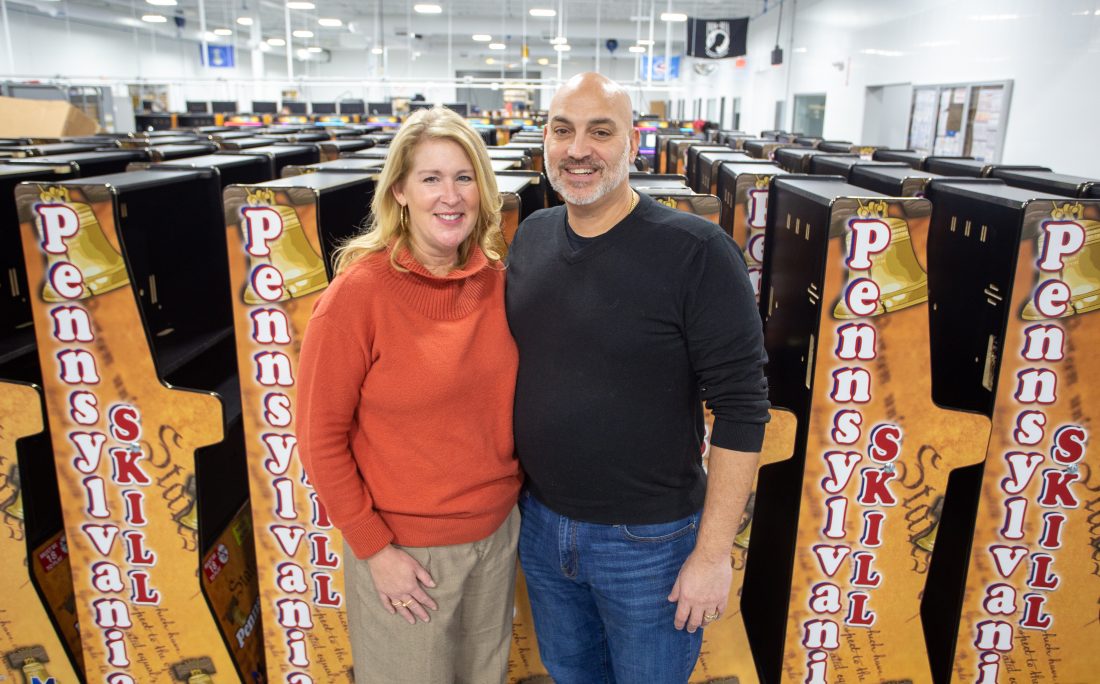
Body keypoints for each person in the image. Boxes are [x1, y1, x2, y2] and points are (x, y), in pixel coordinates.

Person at [505, 72, 770, 682]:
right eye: (563, 130)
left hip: (649, 543)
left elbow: (743, 407)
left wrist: (712, 555)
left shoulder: (697, 253)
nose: (578, 150)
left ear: (633, 144)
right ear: (544, 139)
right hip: (542, 528)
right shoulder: (532, 239)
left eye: (601, 132)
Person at [297, 106, 522, 684]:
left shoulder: (500, 284)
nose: (450, 196)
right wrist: (374, 550)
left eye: (464, 177)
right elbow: (319, 439)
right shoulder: (358, 296)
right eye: (431, 178)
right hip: (404, 555)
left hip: (495, 542)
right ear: (399, 190)